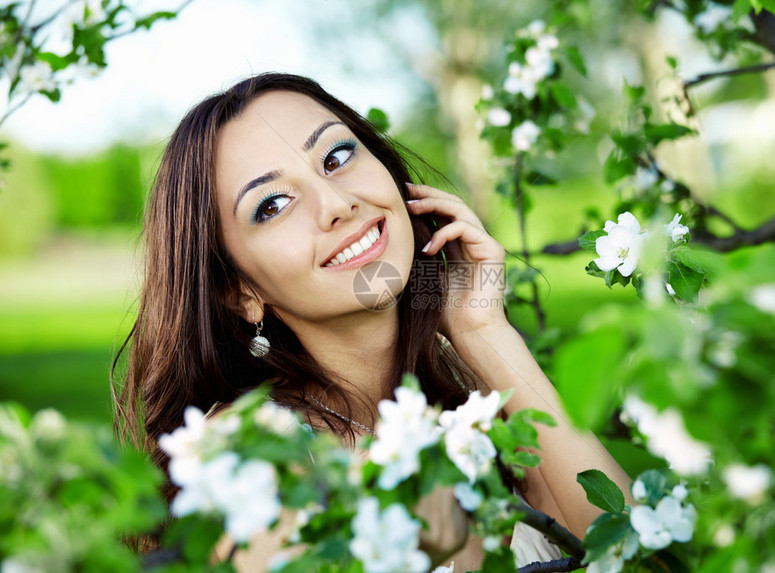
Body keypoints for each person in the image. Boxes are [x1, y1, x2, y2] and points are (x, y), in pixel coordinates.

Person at [112, 72, 631, 571]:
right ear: (240, 292)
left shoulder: (470, 392)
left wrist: (484, 333)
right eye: (272, 205)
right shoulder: (250, 460)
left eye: (336, 157)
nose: (337, 203)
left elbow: (637, 555)